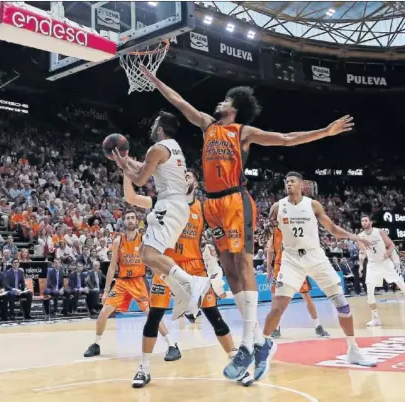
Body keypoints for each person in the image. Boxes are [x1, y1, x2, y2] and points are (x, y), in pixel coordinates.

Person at [140, 65, 355, 379]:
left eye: (225, 100)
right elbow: (180, 102)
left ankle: (246, 345)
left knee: (242, 264)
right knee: (229, 270)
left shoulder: (242, 132)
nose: (219, 103)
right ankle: (256, 340)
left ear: (234, 106)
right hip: (211, 204)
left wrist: (325, 131)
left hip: (235, 199)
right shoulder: (207, 124)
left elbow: (284, 139)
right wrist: (153, 78)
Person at [253, 172, 377, 382]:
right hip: (291, 258)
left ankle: (353, 349)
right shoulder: (277, 207)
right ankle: (263, 348)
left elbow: (332, 228)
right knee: (277, 308)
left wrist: (354, 237)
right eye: (286, 181)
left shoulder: (313, 205)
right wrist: (266, 231)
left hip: (315, 256)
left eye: (292, 181)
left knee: (341, 303)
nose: (289, 184)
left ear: (301, 185)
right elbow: (267, 236)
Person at [123, 169, 238, 388]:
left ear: (196, 184)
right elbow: (131, 198)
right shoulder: (162, 201)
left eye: (188, 176)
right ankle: (144, 368)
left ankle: (235, 362)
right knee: (154, 317)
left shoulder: (203, 209)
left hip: (194, 267)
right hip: (166, 266)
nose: (183, 178)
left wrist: (218, 252)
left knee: (214, 316)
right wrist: (126, 171)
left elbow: (220, 235)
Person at [113, 111, 211, 319]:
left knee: (149, 255)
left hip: (169, 205)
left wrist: (123, 166)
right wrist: (127, 161)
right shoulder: (174, 148)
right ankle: (181, 292)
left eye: (154, 124)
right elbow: (144, 168)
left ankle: (191, 283)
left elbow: (140, 180)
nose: (151, 128)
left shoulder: (156, 148)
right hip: (177, 207)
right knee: (145, 254)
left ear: (159, 129)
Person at [82, 210, 178, 361]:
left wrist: (166, 282)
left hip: (138, 281)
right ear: (124, 222)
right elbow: (112, 267)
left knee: (151, 314)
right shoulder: (117, 242)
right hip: (121, 282)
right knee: (104, 312)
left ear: (137, 221)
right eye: (128, 218)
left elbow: (153, 264)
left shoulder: (144, 240)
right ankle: (96, 344)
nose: (131, 220)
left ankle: (172, 345)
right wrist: (106, 290)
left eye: (133, 218)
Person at [358, 215, 405, 327]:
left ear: (370, 222)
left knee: (403, 287)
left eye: (366, 220)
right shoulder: (360, 236)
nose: (364, 222)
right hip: (372, 265)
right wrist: (361, 266)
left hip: (385, 263)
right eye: (362, 221)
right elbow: (362, 252)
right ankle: (375, 318)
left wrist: (388, 252)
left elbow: (392, 245)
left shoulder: (379, 232)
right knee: (369, 292)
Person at [266, 227, 330, 339]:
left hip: (292, 267)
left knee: (279, 299)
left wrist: (268, 270)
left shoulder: (286, 229)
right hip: (286, 267)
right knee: (303, 298)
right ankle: (317, 327)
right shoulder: (279, 230)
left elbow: (270, 250)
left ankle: (276, 328)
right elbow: (270, 249)